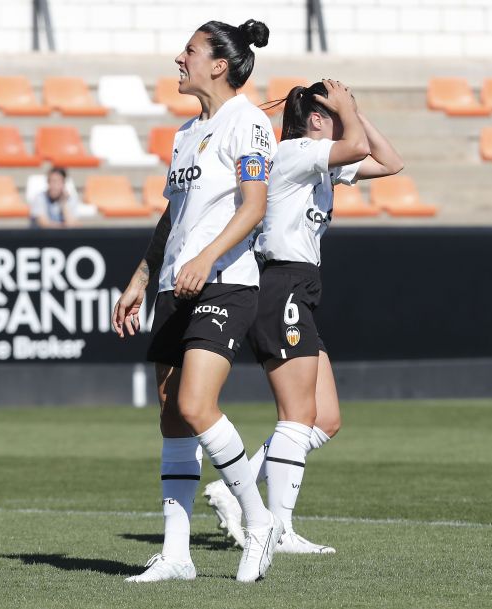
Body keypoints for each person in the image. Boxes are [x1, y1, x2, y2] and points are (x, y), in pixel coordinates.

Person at [112, 19, 282, 583]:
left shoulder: (249, 122)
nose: (178, 59)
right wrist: (141, 277)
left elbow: (254, 205)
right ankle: (177, 555)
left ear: (219, 64)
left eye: (189, 51)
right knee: (171, 413)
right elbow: (173, 217)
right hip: (174, 285)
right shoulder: (186, 133)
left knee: (195, 404)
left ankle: (258, 522)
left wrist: (207, 258)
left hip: (226, 280)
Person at [203, 79, 404, 554]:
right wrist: (347, 112)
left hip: (299, 287)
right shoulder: (296, 152)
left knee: (324, 419)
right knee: (296, 415)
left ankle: (236, 488)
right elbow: (358, 147)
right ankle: (280, 528)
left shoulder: (319, 161)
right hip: (281, 283)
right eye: (335, 114)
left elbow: (391, 163)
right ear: (317, 120)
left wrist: (353, 110)